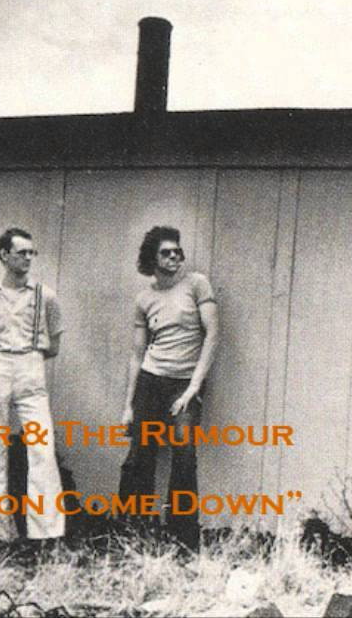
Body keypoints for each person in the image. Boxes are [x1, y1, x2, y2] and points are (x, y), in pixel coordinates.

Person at [118, 226, 219, 552]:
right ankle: (131, 533)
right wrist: (129, 405)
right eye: (166, 252)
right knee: (139, 454)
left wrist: (194, 387)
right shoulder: (144, 299)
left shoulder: (197, 284)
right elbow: (137, 354)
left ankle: (183, 539)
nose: (175, 256)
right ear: (152, 258)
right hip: (151, 381)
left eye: (177, 251)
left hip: (185, 384)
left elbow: (213, 335)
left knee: (184, 453)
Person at [0, 227, 66, 543]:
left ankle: (46, 533)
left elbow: (54, 345)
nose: (28, 258)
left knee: (42, 449)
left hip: (30, 366)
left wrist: (28, 360)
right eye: (21, 252)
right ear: (4, 255)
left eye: (31, 252)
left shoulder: (46, 296)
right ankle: (2, 533)